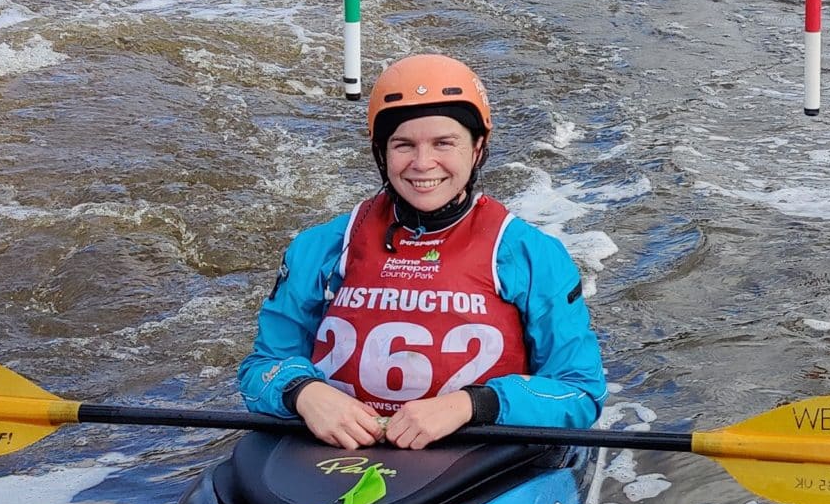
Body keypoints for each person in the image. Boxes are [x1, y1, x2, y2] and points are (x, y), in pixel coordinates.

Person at [240, 55, 605, 451]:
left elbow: (580, 393)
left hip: (479, 458)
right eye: (404, 145)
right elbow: (261, 368)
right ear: (381, 151)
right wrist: (303, 392)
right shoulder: (322, 246)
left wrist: (473, 404)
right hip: (338, 451)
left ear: (477, 147)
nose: (422, 163)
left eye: (443, 143)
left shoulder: (532, 254)